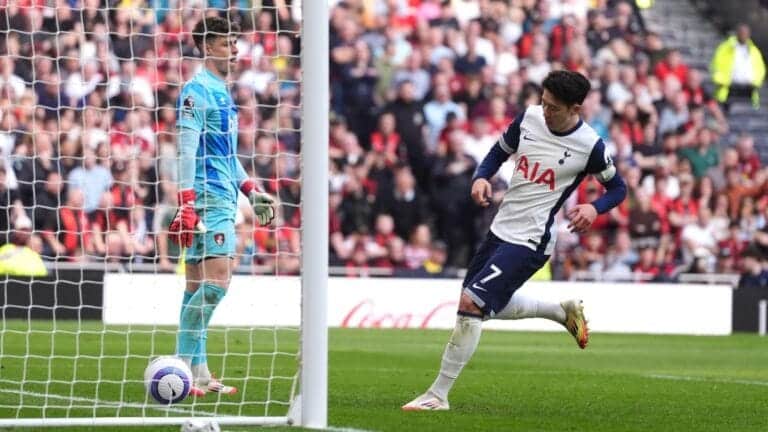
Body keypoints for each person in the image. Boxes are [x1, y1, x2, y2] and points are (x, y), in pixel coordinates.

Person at [402, 70, 628, 411]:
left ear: (576, 108)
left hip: (532, 238)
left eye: (554, 107)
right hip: (501, 228)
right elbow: (498, 151)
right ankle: (559, 311)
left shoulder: (591, 147)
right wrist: (481, 177)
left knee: (471, 304)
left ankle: (438, 395)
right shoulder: (530, 118)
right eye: (543, 102)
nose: (545, 110)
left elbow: (619, 188)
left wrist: (595, 208)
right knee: (481, 307)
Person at [170, 16, 276, 398]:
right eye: (228, 42)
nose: (235, 48)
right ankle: (180, 366)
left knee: (196, 286)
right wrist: (185, 201)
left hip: (223, 195)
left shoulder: (222, 91)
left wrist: (251, 189)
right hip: (206, 199)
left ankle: (197, 372)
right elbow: (184, 149)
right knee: (217, 284)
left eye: (235, 42)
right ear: (207, 46)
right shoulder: (196, 91)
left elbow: (226, 154)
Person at [710, 23, 766, 109]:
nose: (744, 35)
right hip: (729, 88)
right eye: (742, 33)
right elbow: (715, 67)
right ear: (737, 33)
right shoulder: (725, 48)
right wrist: (724, 81)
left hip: (749, 89)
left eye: (746, 33)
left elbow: (761, 69)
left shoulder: (754, 51)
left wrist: (755, 82)